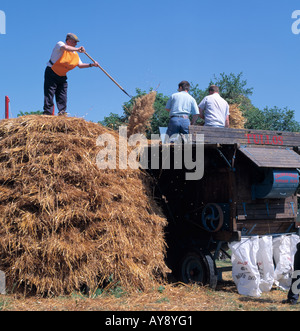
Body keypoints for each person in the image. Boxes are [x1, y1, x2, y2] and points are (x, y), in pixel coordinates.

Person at [43, 33, 99, 116]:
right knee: (49, 94)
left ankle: (62, 113)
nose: (76, 44)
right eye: (74, 42)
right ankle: (47, 113)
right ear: (68, 40)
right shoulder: (60, 44)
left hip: (62, 75)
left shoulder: (75, 54)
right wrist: (77, 49)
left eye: (76, 43)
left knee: (62, 95)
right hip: (52, 72)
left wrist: (92, 65)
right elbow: (65, 48)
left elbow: (80, 65)